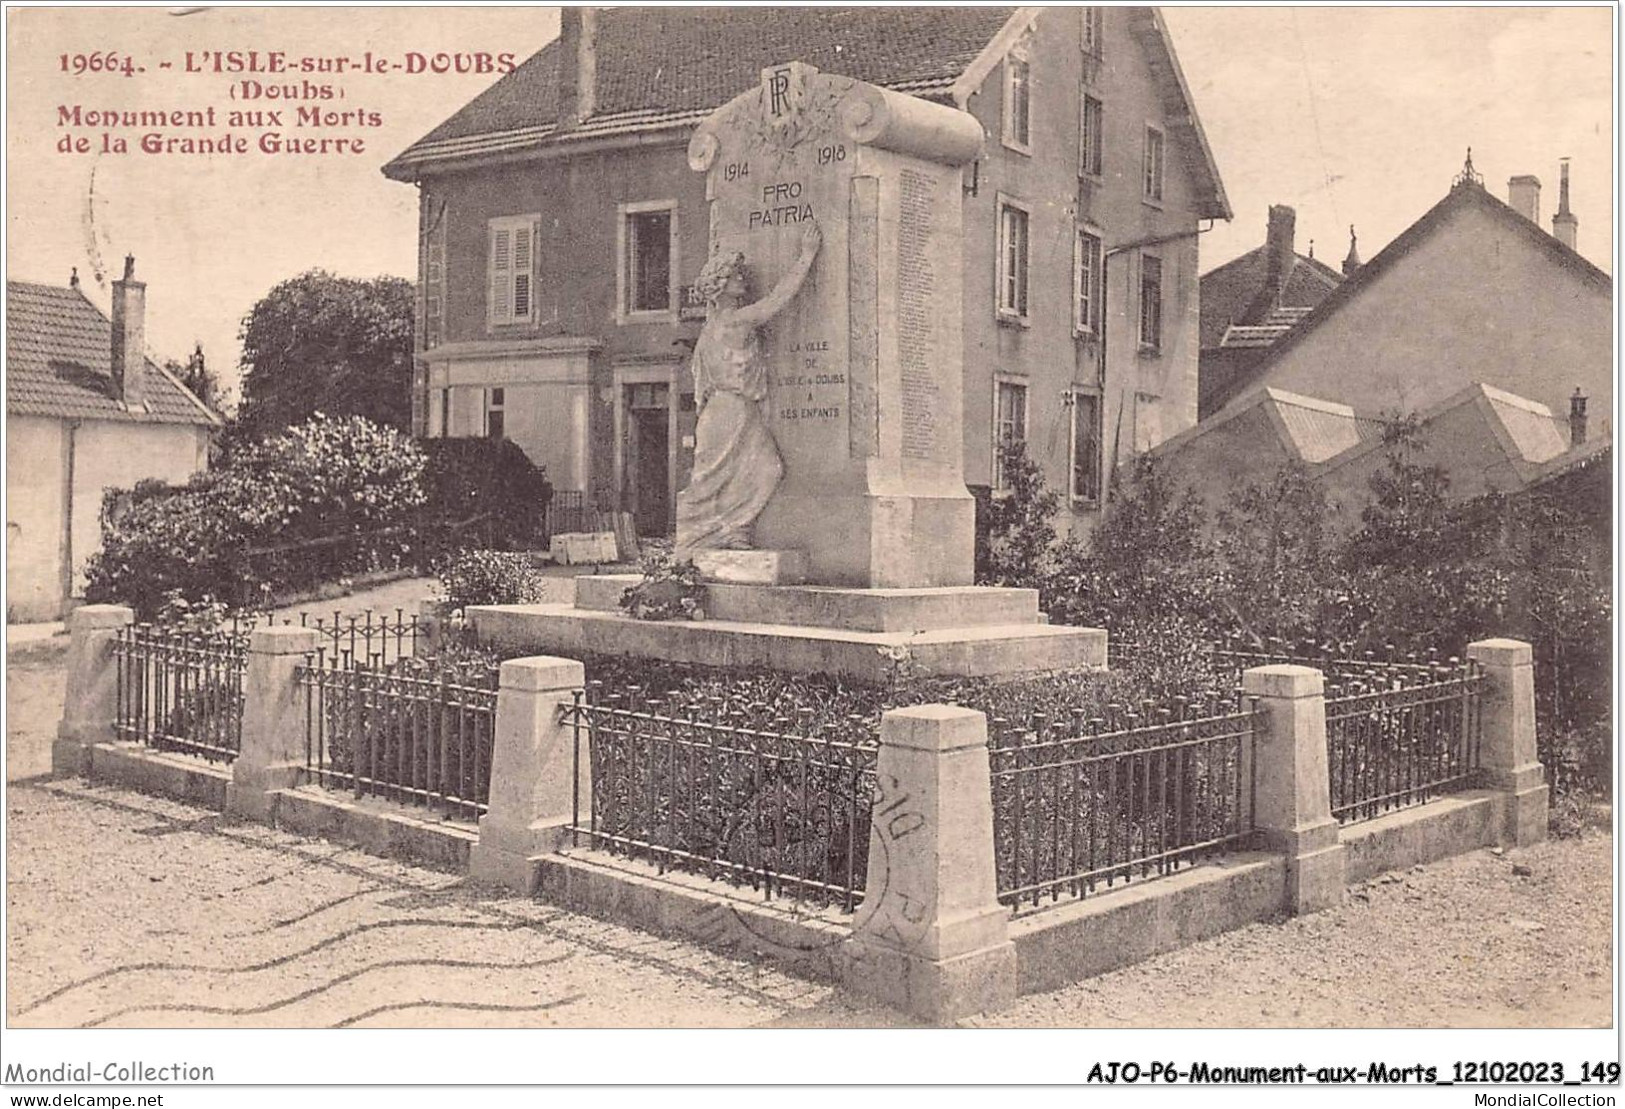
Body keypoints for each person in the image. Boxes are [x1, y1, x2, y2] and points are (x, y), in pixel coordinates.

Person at [675, 221, 822, 551]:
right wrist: (806, 257)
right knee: (719, 477)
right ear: (721, 286)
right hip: (728, 410)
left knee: (763, 469)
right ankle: (708, 536)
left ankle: (731, 530)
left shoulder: (711, 326)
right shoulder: (733, 321)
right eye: (735, 276)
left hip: (731, 409)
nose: (742, 279)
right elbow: (777, 300)